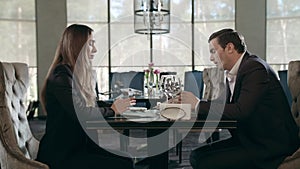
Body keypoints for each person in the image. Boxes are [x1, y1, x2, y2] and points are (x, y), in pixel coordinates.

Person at [180, 28, 300, 169]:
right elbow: (227, 107)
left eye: (213, 51)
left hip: (270, 145)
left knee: (203, 162)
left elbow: (241, 110)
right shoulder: (238, 70)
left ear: (229, 48)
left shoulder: (255, 68)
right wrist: (191, 106)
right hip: (251, 140)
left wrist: (199, 104)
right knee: (196, 156)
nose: (211, 58)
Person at [36, 24, 135, 169]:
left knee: (127, 159)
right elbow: (81, 112)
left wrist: (113, 106)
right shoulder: (61, 75)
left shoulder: (72, 74)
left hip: (79, 147)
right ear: (77, 46)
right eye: (90, 44)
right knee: (122, 165)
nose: (95, 49)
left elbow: (88, 105)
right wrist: (112, 110)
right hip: (61, 154)